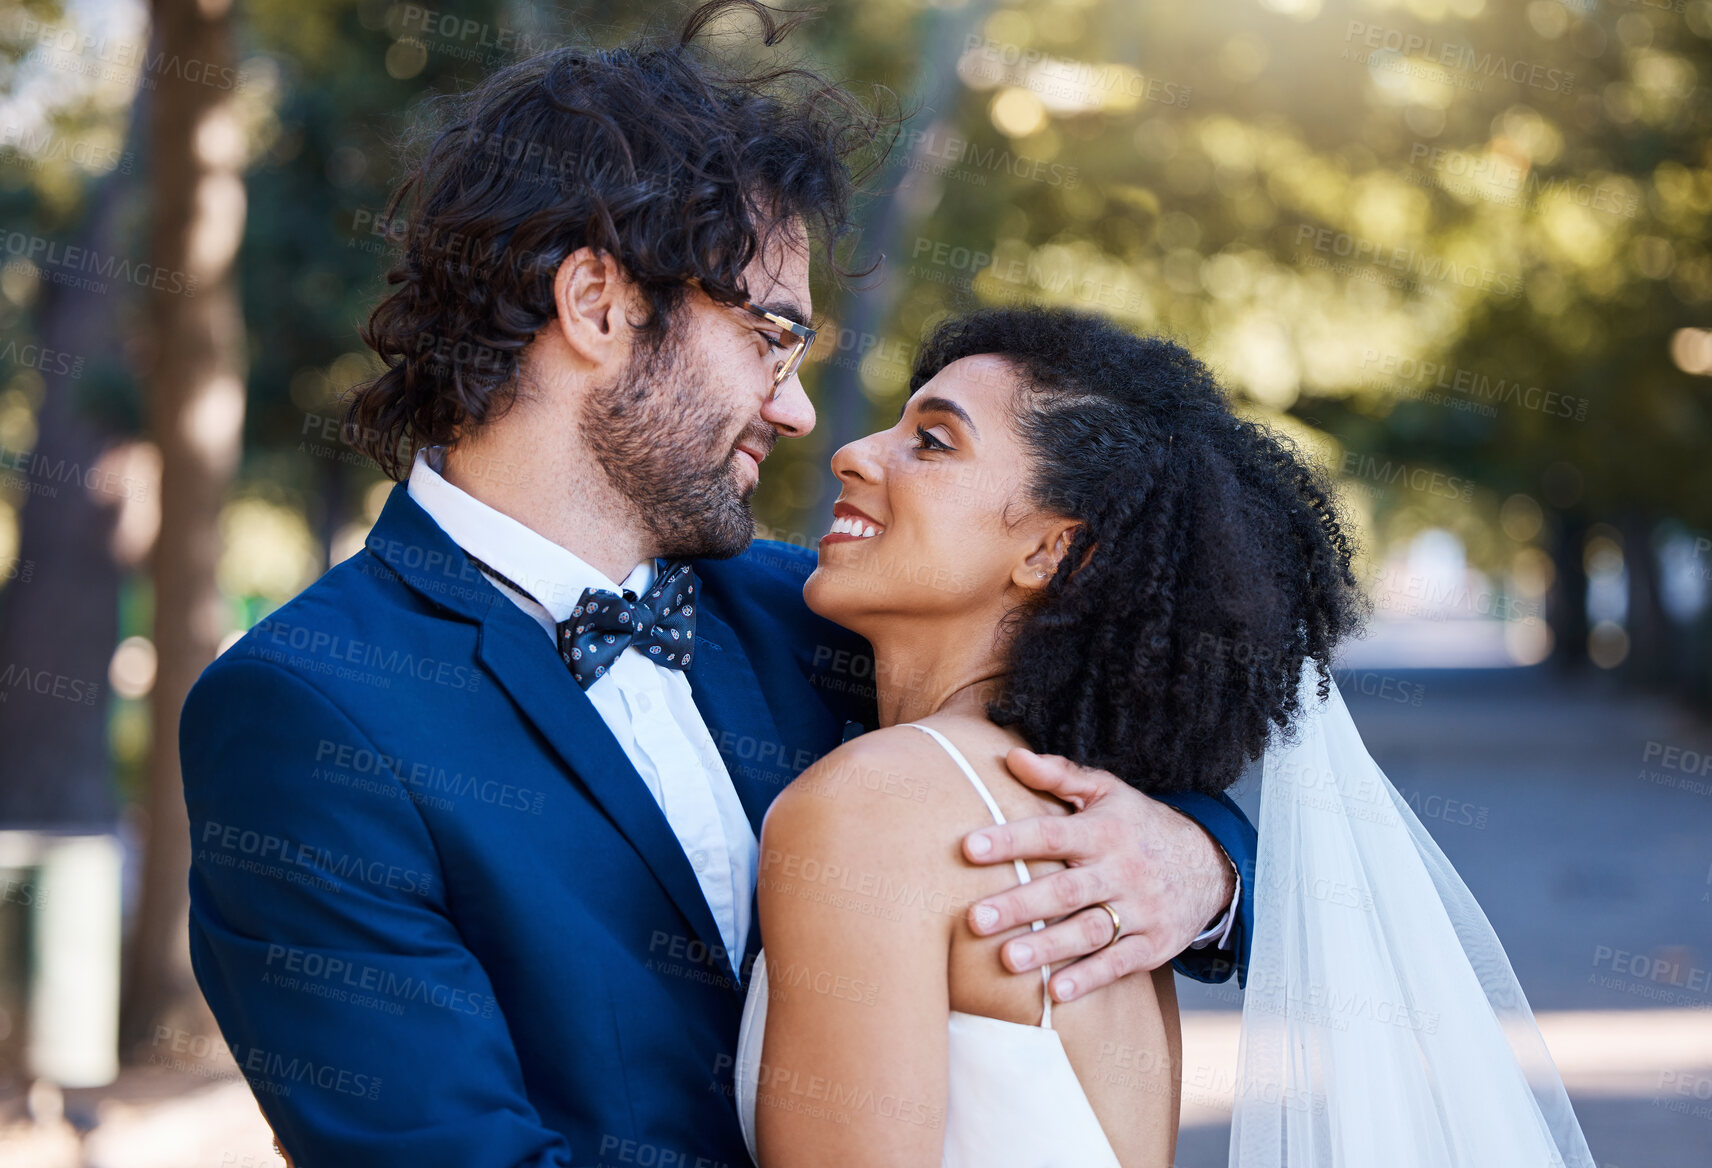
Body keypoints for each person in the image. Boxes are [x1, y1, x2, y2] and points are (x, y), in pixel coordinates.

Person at [177, 6, 1256, 1166]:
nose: (795, 411)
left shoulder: (826, 617)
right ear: (598, 305)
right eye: (768, 336)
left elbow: (1099, 729)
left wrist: (1201, 867)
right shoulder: (306, 711)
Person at [736, 307, 1596, 1168]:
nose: (852, 452)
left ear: (1049, 551)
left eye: (932, 441)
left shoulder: (872, 807)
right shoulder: (1089, 847)